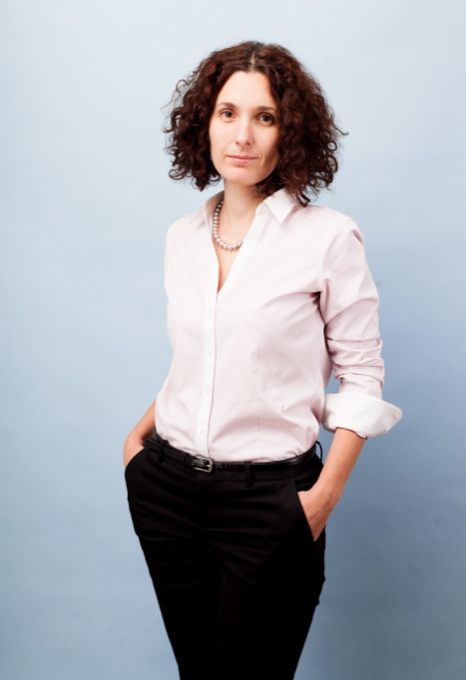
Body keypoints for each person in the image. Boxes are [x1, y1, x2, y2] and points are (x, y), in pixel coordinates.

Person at [124, 41, 402, 680]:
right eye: (228, 113)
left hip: (271, 503)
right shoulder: (182, 237)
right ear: (205, 123)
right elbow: (198, 360)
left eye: (265, 117)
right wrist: (137, 445)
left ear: (290, 132)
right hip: (167, 493)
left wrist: (322, 498)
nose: (242, 134)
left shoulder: (328, 238)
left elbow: (362, 374)